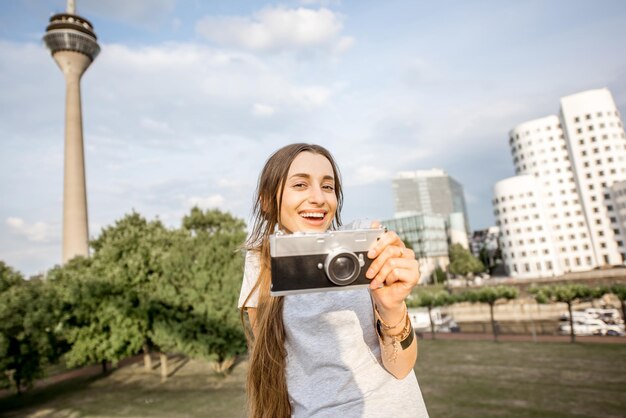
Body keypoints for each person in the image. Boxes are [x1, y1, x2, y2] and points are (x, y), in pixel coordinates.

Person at [238, 143, 429, 418]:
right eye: (301, 185)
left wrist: (392, 307)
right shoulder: (261, 262)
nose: (318, 197)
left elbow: (401, 368)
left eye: (328, 187)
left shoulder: (365, 244)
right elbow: (270, 365)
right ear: (268, 200)